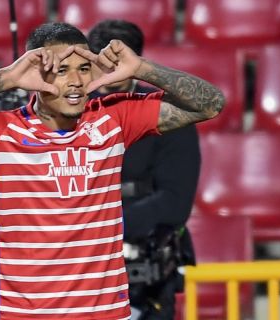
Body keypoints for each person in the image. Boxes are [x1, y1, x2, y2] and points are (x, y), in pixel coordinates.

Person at [0, 22, 224, 320]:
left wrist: (141, 68)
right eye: (61, 70)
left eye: (83, 69)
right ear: (36, 74)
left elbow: (210, 104)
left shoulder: (112, 120)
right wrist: (5, 78)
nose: (75, 81)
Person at [88, 19, 201, 319]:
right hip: (82, 271)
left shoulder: (166, 115)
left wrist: (98, 227)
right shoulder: (72, 112)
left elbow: (174, 202)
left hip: (145, 271)